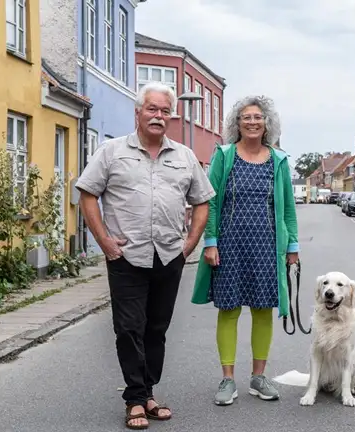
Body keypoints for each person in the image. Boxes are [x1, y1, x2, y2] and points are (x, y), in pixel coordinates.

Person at [76, 82, 215, 429]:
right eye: (152, 109)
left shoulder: (184, 156)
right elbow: (88, 194)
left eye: (165, 111)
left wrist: (189, 244)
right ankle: (135, 399)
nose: (158, 116)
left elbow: (202, 201)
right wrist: (105, 242)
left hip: (169, 256)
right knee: (128, 328)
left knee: (156, 329)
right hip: (126, 257)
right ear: (138, 113)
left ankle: (147, 393)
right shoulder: (111, 152)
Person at [191, 95, 300, 406]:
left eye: (258, 117)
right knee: (229, 309)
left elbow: (288, 207)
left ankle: (258, 377)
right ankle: (228, 379)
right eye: (246, 117)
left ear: (267, 123)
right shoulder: (224, 156)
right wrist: (210, 242)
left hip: (267, 246)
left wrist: (292, 245)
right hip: (229, 246)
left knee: (263, 309)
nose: (252, 122)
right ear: (237, 124)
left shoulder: (278, 161)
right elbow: (211, 201)